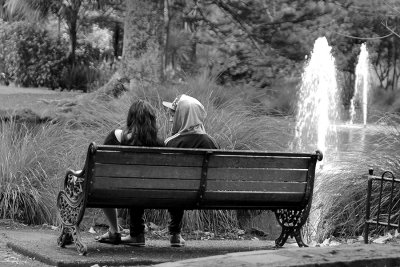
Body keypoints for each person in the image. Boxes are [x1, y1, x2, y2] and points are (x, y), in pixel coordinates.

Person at [95, 99, 163, 246]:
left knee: (101, 183)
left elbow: (100, 168)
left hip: (117, 191)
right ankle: (137, 235)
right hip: (150, 193)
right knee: (138, 186)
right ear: (152, 120)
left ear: (130, 118)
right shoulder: (160, 143)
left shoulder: (116, 136)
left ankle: (114, 231)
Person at [162, 94, 219, 247]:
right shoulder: (211, 143)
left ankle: (175, 233)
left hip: (177, 195)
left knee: (176, 187)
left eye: (174, 114)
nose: (171, 118)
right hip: (207, 195)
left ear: (183, 116)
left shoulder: (171, 143)